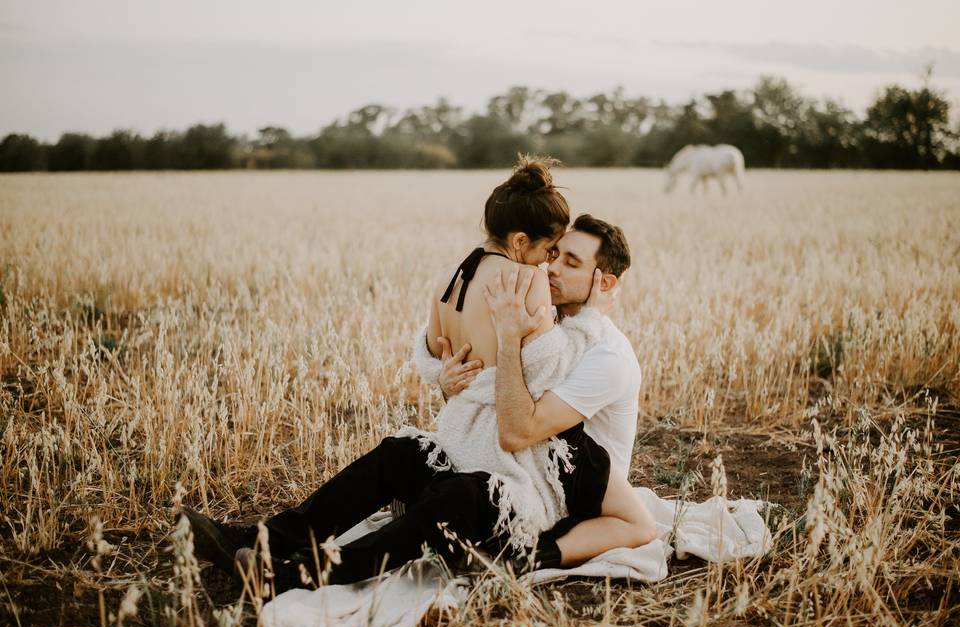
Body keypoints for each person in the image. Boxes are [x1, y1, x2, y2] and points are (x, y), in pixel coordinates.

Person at [181, 158, 654, 593]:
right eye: (555, 252)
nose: (550, 265)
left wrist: (508, 342)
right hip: (512, 458)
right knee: (399, 455)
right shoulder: (547, 309)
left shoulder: (602, 351)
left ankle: (295, 576)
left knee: (458, 498)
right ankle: (262, 540)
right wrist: (452, 379)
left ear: (603, 283)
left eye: (568, 261)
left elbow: (518, 428)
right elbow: (475, 367)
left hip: (569, 485)